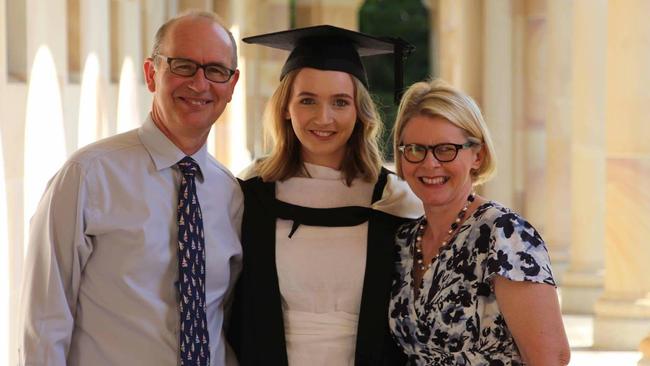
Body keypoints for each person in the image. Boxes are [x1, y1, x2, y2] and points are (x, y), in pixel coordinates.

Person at [19, 10, 242, 366]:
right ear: (152, 74)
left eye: (215, 70)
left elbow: (223, 321)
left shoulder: (231, 195)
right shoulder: (88, 176)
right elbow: (45, 322)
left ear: (231, 85)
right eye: (183, 65)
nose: (199, 84)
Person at [227, 25, 422, 365]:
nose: (324, 117)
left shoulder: (393, 200)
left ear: (359, 111)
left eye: (340, 102)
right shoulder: (251, 195)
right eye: (307, 101)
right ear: (285, 107)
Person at [388, 79, 571, 365]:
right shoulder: (404, 241)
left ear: (478, 155)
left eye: (446, 149)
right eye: (415, 149)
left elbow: (551, 358)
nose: (429, 163)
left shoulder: (506, 236)